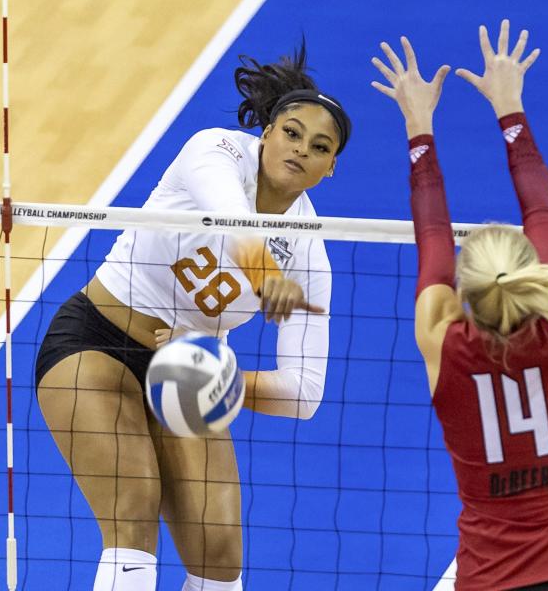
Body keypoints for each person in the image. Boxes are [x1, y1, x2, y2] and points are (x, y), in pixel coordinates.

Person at [35, 44, 348, 591]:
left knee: (221, 560)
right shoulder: (215, 151)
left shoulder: (310, 251)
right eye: (292, 133)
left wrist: (221, 382)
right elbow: (231, 218)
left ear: (329, 168)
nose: (300, 150)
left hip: (187, 381)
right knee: (132, 507)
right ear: (268, 132)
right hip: (96, 344)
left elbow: (304, 392)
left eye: (318, 147)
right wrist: (265, 275)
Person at [371, 21, 548, 590]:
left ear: (464, 293)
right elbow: (542, 211)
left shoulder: (441, 341)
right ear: (536, 273)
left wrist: (419, 128)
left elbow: (431, 231)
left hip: (489, 579)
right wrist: (510, 108)